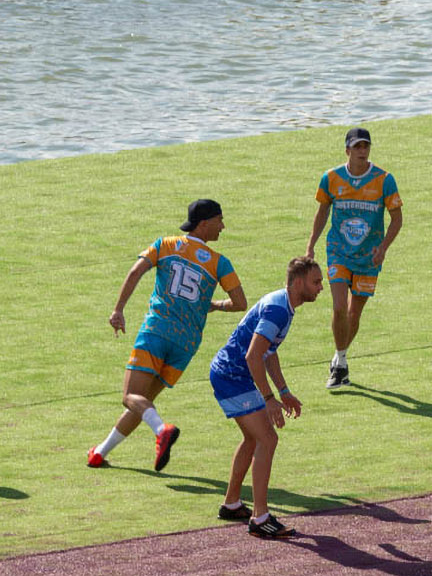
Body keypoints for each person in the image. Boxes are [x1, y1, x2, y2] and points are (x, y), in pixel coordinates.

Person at [88, 200, 246, 471]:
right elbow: (240, 302)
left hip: (157, 332)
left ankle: (162, 430)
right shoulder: (221, 263)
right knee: (144, 403)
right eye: (219, 220)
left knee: (130, 397)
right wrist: (215, 305)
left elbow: (136, 271)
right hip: (186, 344)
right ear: (204, 223)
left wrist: (118, 310)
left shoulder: (165, 245)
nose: (223, 226)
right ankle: (100, 453)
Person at [207, 257, 323, 538]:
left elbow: (268, 352)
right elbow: (253, 355)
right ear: (298, 283)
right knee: (267, 438)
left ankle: (232, 503)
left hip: (232, 373)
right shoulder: (278, 311)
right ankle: (260, 517)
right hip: (233, 376)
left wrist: (284, 391)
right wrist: (270, 398)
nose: (321, 288)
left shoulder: (283, 304)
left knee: (253, 438)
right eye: (316, 282)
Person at [306, 127, 402, 390]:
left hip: (369, 258)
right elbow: (322, 212)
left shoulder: (384, 180)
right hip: (338, 251)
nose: (362, 151)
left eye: (365, 146)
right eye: (357, 147)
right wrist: (311, 245)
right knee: (338, 307)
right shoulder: (331, 178)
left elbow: (397, 218)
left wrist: (383, 248)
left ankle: (340, 360)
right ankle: (341, 363)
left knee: (353, 313)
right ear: (347, 150)